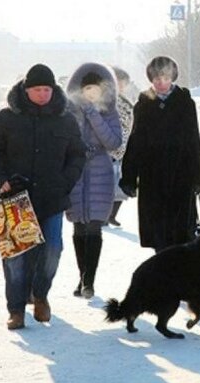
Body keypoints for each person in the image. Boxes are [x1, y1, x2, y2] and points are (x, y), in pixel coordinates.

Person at [0, 63, 85, 330]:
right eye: (37, 89)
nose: (42, 94)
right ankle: (16, 310)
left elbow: (77, 155)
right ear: (26, 90)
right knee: (15, 257)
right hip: (14, 198)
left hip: (52, 197)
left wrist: (64, 182)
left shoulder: (66, 119)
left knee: (53, 249)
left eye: (47, 89)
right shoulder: (5, 119)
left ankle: (41, 294)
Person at [120, 56, 200, 253]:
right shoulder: (144, 103)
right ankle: (162, 270)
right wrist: (129, 177)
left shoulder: (184, 102)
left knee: (180, 231)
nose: (161, 83)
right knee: (157, 231)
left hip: (180, 174)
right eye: (157, 79)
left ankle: (179, 275)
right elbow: (136, 141)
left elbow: (194, 140)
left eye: (165, 78)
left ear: (172, 77)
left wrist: (197, 177)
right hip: (152, 176)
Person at [65, 63, 122, 299]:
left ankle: (90, 281)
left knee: (94, 226)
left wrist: (93, 113)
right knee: (79, 227)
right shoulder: (69, 113)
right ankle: (81, 277)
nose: (91, 94)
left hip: (101, 173)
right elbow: (67, 141)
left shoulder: (109, 112)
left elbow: (113, 142)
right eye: (87, 89)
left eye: (95, 89)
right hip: (76, 173)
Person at [107, 66, 134, 227]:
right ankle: (103, 215)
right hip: (105, 150)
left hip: (123, 149)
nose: (120, 85)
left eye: (123, 82)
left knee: (120, 187)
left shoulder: (126, 102)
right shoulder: (103, 101)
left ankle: (111, 215)